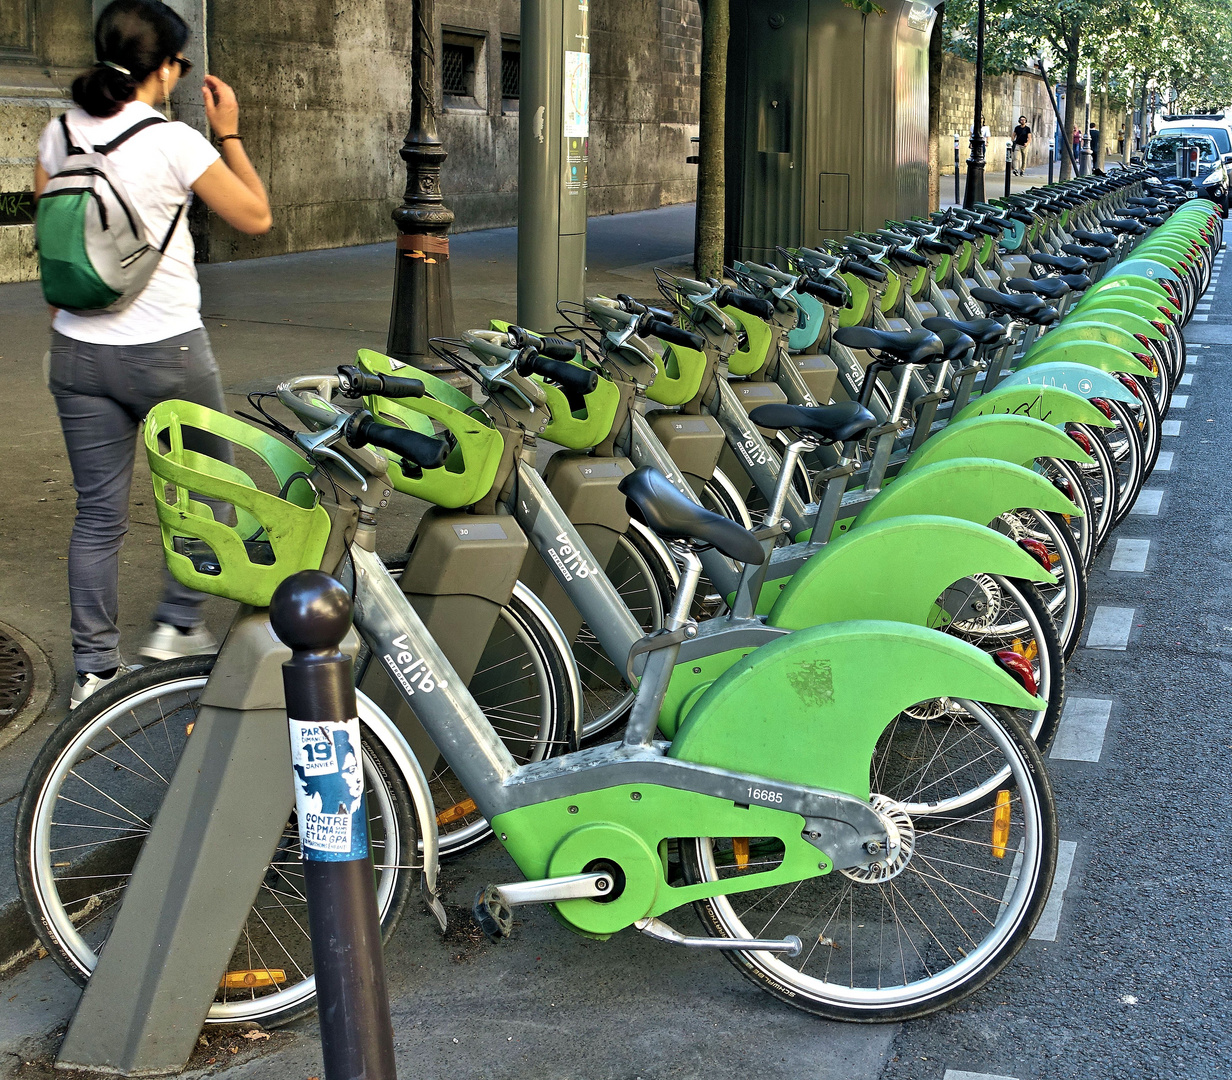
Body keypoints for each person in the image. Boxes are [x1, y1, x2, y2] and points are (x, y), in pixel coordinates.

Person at [34, 0, 271, 708]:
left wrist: (75, 322)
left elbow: (56, 241)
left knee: (98, 513)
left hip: (76, 353)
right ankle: (175, 623)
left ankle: (94, 670)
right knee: (210, 492)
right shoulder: (175, 142)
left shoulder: (57, 134)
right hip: (168, 350)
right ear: (166, 69)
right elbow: (255, 216)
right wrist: (228, 134)